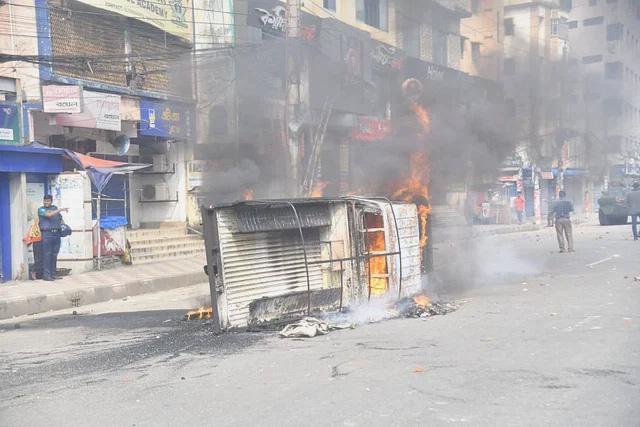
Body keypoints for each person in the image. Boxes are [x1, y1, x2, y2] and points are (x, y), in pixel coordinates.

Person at [37, 195, 68, 281]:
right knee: (47, 254)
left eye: (48, 201)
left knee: (54, 254)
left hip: (56, 234)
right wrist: (60, 210)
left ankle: (53, 274)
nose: (46, 202)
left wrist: (64, 227)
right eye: (45, 201)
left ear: (51, 201)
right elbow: (49, 215)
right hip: (47, 234)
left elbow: (61, 219)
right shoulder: (41, 209)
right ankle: (46, 275)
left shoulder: (55, 208)